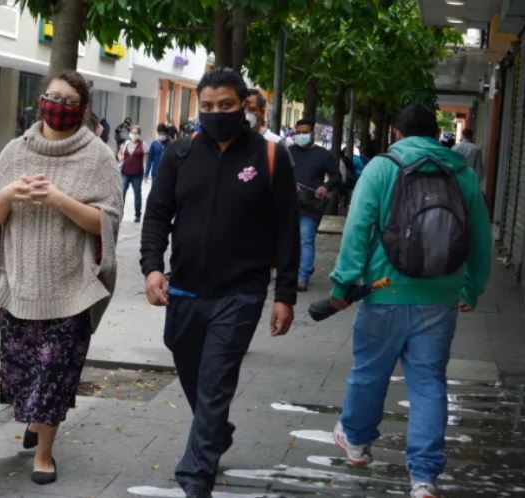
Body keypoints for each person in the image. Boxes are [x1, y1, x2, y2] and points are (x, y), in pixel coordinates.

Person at [140, 67, 300, 498]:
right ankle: (215, 430)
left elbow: (287, 228)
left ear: (244, 105)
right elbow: (157, 215)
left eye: (225, 105)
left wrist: (284, 294)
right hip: (185, 289)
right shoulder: (180, 154)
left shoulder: (270, 156)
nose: (215, 113)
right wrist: (152, 267)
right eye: (207, 106)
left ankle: (195, 478)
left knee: (215, 382)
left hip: (241, 292)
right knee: (193, 373)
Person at [329, 104, 491, 498]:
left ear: (397, 134)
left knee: (369, 371)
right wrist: (471, 288)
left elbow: (357, 229)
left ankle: (356, 441)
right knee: (428, 382)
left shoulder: (382, 168)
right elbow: (481, 238)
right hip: (440, 297)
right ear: (436, 134)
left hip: (383, 291)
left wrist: (342, 284)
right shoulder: (462, 173)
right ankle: (423, 477)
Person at [0, 70, 123, 486]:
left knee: (55, 375)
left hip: (71, 289)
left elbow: (107, 224)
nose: (58, 106)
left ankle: (44, 453)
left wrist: (59, 199)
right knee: (24, 375)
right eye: (52, 97)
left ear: (83, 109)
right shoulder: (14, 152)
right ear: (41, 100)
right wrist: (8, 195)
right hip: (20, 287)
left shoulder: (98, 157)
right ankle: (35, 421)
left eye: (69, 101)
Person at [290, 118, 341, 291]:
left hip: (311, 205)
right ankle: (296, 269)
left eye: (304, 132)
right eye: (298, 132)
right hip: (290, 203)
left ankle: (303, 276)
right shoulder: (289, 152)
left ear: (312, 133)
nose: (301, 135)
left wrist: (325, 186)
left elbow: (336, 176)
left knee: (306, 238)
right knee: (290, 240)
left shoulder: (323, 155)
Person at [118, 126, 146, 222]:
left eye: (136, 133)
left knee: (137, 194)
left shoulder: (143, 144)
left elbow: (145, 158)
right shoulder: (126, 143)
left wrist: (144, 173)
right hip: (125, 172)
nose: (134, 134)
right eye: (132, 132)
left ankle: (137, 215)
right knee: (122, 192)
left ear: (139, 134)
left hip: (137, 173)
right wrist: (121, 158)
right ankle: (120, 213)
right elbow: (120, 153)